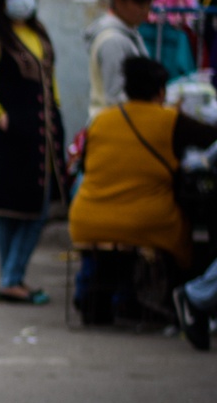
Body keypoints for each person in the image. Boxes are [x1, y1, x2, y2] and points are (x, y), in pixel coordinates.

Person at [72, 56, 217, 328]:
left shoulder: (101, 120)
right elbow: (212, 138)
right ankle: (178, 302)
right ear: (161, 91)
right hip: (145, 221)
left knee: (114, 241)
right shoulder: (169, 120)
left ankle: (104, 302)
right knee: (185, 232)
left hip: (86, 215)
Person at [0, 0, 66, 304]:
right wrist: (4, 120)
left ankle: (12, 277)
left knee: (36, 207)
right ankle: (12, 278)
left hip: (42, 136)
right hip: (8, 139)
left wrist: (54, 114)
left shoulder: (39, 34)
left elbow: (49, 83)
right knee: (12, 210)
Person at [83, 0, 157, 121]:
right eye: (140, 4)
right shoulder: (113, 40)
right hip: (113, 127)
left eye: (148, 5)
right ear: (118, 0)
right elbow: (115, 97)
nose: (146, 12)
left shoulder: (129, 32)